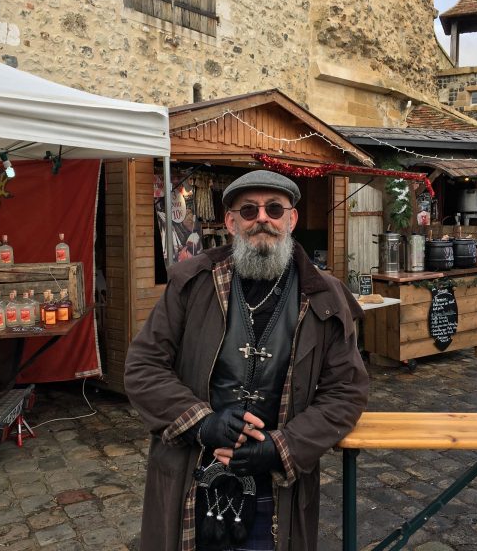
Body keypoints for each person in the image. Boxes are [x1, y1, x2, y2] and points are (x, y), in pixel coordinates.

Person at [124, 170, 369, 550]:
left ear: (292, 219)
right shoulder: (192, 283)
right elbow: (142, 367)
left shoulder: (324, 296)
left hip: (277, 491)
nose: (263, 220)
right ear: (231, 222)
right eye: (249, 210)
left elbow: (347, 392)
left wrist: (280, 447)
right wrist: (203, 424)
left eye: (274, 209)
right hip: (191, 476)